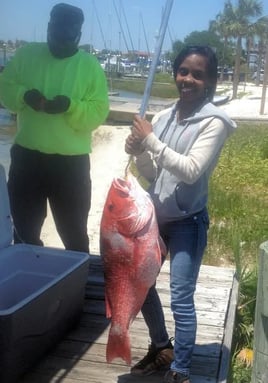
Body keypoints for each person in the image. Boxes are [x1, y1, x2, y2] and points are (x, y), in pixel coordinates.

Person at [125, 45, 236, 383]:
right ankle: (162, 347)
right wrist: (138, 150)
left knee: (181, 297)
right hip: (154, 220)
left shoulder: (215, 123)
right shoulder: (164, 117)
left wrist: (152, 142)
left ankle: (181, 369)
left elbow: (190, 170)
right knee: (139, 285)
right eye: (183, 71)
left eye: (198, 74)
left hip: (188, 221)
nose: (188, 79)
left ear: (211, 80)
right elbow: (153, 174)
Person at [0, 3, 109, 253]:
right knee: (24, 231)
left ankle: (76, 283)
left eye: (68, 39)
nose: (60, 43)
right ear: (48, 29)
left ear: (79, 36)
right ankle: (30, 280)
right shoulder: (27, 54)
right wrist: (23, 96)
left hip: (71, 166)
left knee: (74, 234)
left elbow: (98, 112)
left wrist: (70, 106)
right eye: (55, 36)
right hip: (27, 159)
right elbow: (4, 88)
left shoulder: (90, 66)